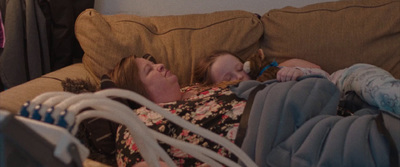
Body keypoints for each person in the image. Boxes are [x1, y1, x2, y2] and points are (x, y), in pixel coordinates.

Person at [109, 55, 249, 167]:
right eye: (149, 70)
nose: (160, 65)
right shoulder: (136, 122)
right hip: (252, 140)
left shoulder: (189, 88)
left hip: (262, 99)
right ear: (137, 92)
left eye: (154, 64)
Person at [194, 50, 400, 115]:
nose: (238, 77)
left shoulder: (283, 66)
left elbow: (323, 74)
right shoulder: (247, 106)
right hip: (342, 110)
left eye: (239, 68)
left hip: (344, 81)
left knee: (382, 92)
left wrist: (298, 73)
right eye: (228, 79)